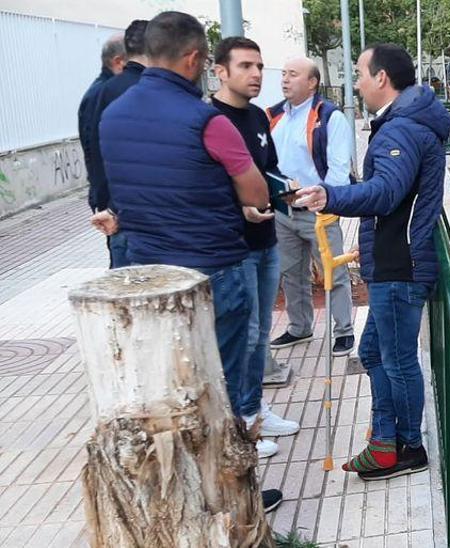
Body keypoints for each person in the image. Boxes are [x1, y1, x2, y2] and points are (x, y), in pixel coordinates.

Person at [93, 11, 282, 512]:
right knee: (221, 390)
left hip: (151, 277)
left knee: (171, 390)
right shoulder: (207, 120)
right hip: (215, 270)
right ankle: (235, 498)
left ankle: (182, 499)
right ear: (197, 59)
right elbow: (257, 189)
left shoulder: (112, 114)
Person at [294, 43, 450, 480]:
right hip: (393, 258)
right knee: (373, 352)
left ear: (382, 78)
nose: (357, 81)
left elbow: (385, 192)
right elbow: (398, 202)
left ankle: (406, 447)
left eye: (360, 73)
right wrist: (374, 239)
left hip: (401, 268)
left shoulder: (401, 131)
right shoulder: (405, 125)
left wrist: (330, 196)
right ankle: (386, 440)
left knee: (397, 360)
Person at [210, 36, 301, 459]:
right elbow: (209, 185)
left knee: (262, 329)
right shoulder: (209, 119)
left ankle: (255, 407)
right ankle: (241, 421)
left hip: (267, 240)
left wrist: (287, 191)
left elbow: (268, 171)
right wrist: (240, 208)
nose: (256, 74)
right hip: (234, 248)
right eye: (245, 66)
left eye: (260, 66)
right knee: (243, 336)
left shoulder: (260, 119)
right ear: (220, 71)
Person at [267, 57, 356, 356]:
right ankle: (299, 327)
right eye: (283, 74)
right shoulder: (274, 116)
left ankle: (344, 330)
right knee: (291, 271)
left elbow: (339, 168)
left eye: (293, 74)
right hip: (284, 209)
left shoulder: (330, 117)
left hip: (318, 209)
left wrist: (325, 201)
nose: (284, 80)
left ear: (312, 82)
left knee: (333, 270)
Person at [86, 20, 147, 268]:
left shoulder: (104, 90)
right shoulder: (155, 89)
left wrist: (105, 204)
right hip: (141, 217)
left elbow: (95, 153)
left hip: (118, 213)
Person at [78, 33, 124, 216]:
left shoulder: (105, 89)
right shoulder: (103, 93)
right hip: (113, 201)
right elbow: (95, 149)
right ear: (119, 61)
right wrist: (105, 201)